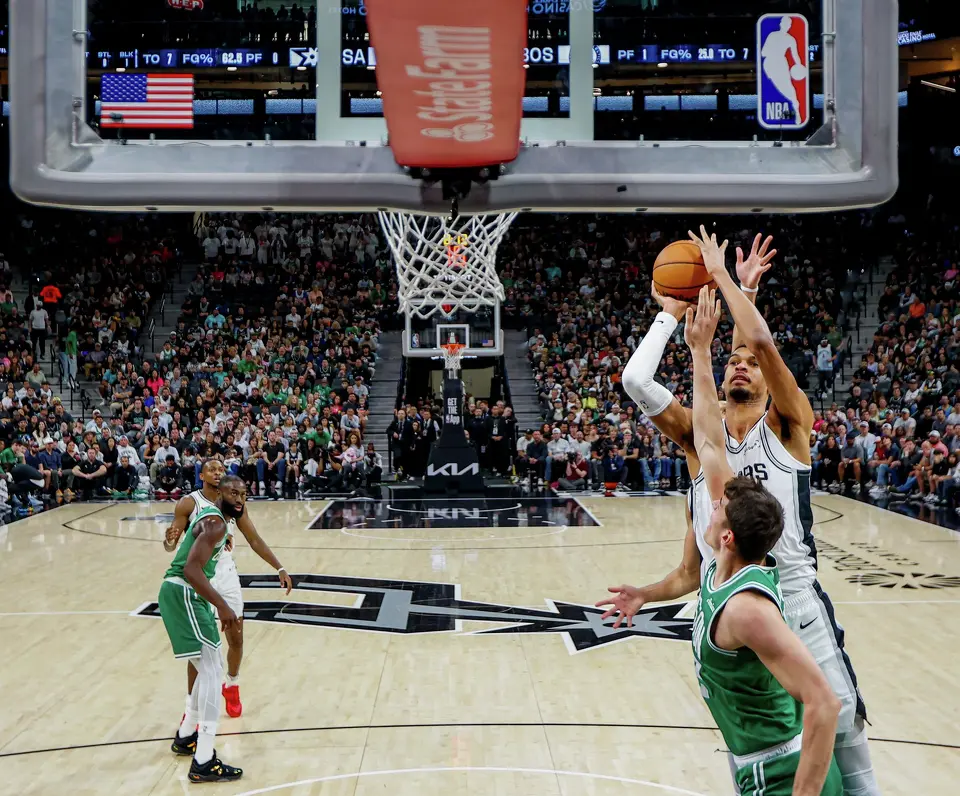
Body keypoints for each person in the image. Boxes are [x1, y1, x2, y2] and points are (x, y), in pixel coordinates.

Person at [618, 228, 877, 795]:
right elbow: (639, 380)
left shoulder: (787, 424)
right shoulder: (700, 440)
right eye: (730, 362)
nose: (740, 366)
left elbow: (755, 343)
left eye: (750, 366)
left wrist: (734, 286)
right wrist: (670, 315)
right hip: (734, 604)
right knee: (764, 738)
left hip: (795, 600)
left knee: (844, 737)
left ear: (766, 380)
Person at [165, 459, 293, 719]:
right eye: (211, 469)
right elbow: (171, 544)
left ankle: (232, 685)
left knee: (236, 638)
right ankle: (192, 707)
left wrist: (279, 567)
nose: (217, 472)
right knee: (199, 647)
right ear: (201, 475)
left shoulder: (235, 504)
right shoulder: (189, 503)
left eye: (220, 469)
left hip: (225, 574)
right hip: (200, 576)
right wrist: (169, 541)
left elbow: (254, 539)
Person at [157, 474, 245, 783]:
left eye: (243, 495)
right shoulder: (215, 523)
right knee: (211, 671)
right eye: (233, 493)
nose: (239, 499)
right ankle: (204, 759)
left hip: (180, 593)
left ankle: (186, 737)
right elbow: (192, 569)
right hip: (185, 592)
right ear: (219, 493)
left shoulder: (214, 520)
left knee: (207, 667)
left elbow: (194, 540)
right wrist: (222, 605)